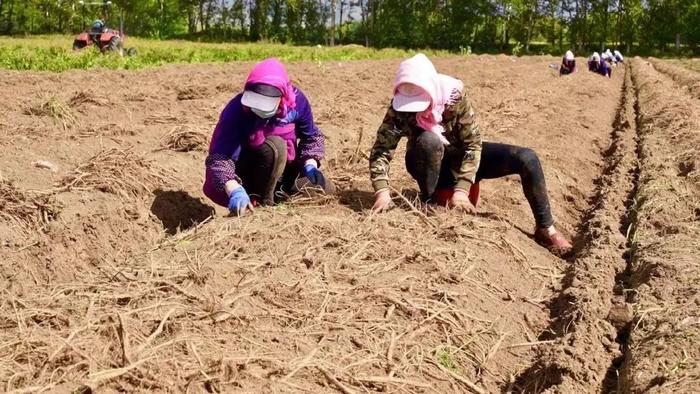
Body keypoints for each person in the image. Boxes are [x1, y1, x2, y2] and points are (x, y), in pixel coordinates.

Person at [369, 54, 573, 254]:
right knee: (429, 140)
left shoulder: (454, 97)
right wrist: (382, 192)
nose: (414, 111)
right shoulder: (400, 106)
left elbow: (473, 144)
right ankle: (429, 199)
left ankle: (546, 228)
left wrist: (462, 189)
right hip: (427, 163)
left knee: (527, 158)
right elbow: (381, 150)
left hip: (461, 160)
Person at [204, 58, 334, 215]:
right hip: (248, 172)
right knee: (275, 147)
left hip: (285, 170)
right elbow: (219, 158)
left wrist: (310, 163)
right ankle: (261, 202)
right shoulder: (236, 110)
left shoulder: (297, 103)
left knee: (323, 188)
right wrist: (234, 189)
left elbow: (311, 136)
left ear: (281, 97)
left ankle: (281, 199)